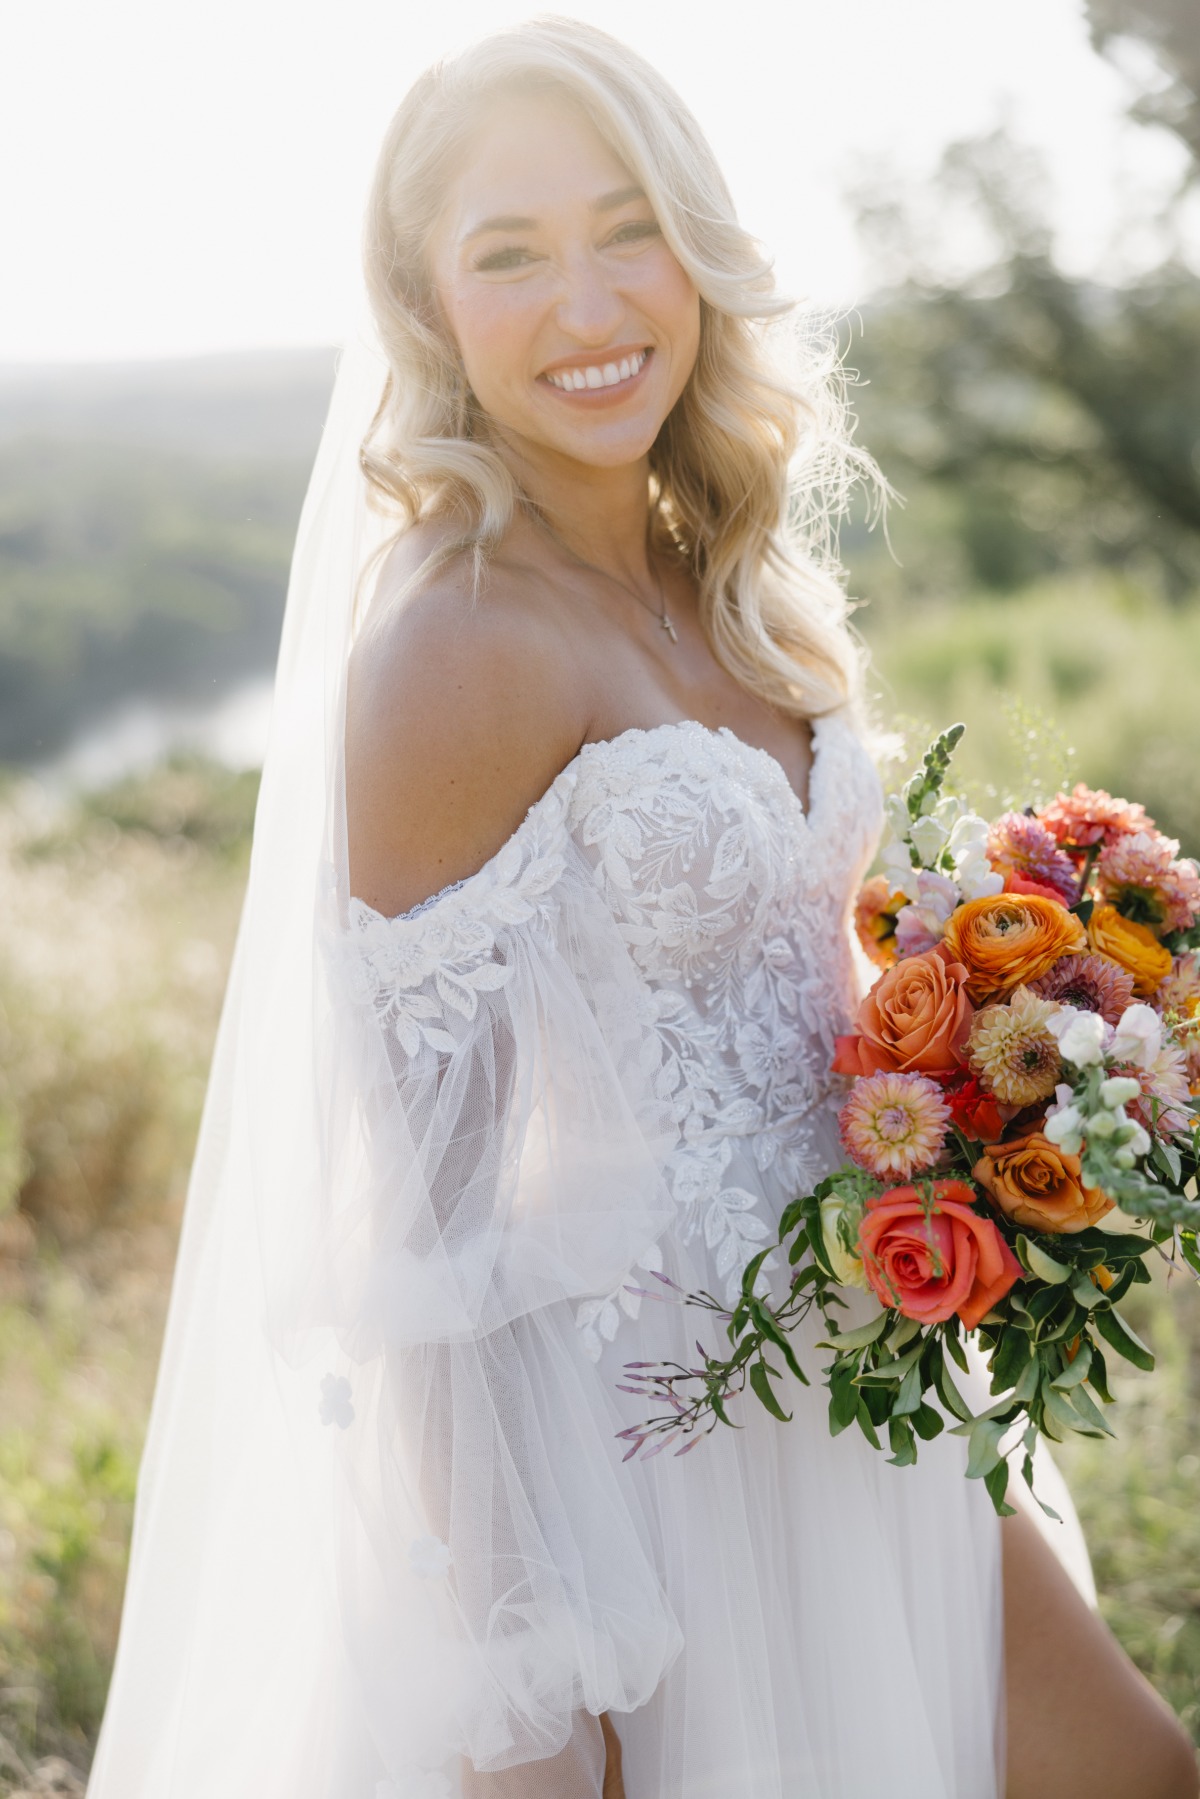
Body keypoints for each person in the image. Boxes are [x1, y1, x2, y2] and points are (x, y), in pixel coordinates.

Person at [87, 18, 1197, 1799]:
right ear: (429, 305)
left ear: (698, 247)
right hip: (643, 1461)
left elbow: (791, 982)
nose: (590, 306)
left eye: (628, 230)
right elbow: (422, 1231)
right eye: (509, 256)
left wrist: (1017, 1068)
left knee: (1137, 1772)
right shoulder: (456, 649)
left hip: (858, 1376)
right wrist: (549, 1681)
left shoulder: (727, 573)